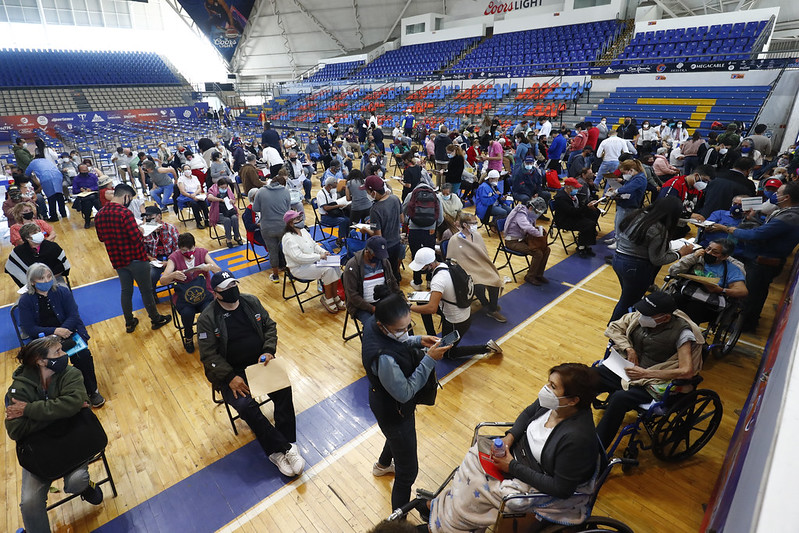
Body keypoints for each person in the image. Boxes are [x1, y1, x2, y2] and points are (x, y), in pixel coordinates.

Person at [427, 363, 602, 531]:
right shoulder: (555, 404)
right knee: (471, 461)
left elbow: (561, 488)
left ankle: (448, 525)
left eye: (553, 386)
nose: (546, 388)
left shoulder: (576, 439)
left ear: (573, 401)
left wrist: (511, 466)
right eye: (549, 382)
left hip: (535, 475)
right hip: (516, 455)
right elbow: (527, 413)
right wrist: (509, 438)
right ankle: (445, 512)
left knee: (475, 488)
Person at [197, 271, 305, 477]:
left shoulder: (251, 302)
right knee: (247, 407)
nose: (232, 290)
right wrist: (230, 378)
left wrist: (268, 350)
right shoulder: (207, 318)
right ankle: (278, 451)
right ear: (216, 293)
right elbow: (208, 355)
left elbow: (270, 326)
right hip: (231, 375)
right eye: (226, 288)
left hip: (259, 364)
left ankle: (289, 442)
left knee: (283, 388)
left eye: (233, 285)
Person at [362, 287, 452, 515]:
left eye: (408, 326)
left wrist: (418, 340)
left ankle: (382, 466)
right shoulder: (384, 359)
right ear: (383, 325)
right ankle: (398, 522)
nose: (405, 333)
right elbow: (405, 392)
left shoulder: (375, 322)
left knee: (395, 438)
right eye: (400, 330)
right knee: (408, 472)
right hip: (395, 410)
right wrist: (430, 359)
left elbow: (398, 341)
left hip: (383, 402)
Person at [5, 336, 106, 533]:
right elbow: (15, 430)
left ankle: (86, 487)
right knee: (29, 504)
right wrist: (62, 413)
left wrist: (29, 410)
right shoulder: (18, 389)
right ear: (41, 361)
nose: (64, 354)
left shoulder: (71, 373)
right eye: (58, 352)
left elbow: (74, 403)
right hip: (40, 453)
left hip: (73, 440)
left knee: (76, 481)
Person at [596, 291, 704, 449]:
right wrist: (628, 348)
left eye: (647, 314)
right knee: (591, 375)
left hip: (652, 380)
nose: (641, 316)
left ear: (665, 318)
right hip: (630, 370)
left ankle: (596, 448)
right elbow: (613, 327)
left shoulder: (683, 333)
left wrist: (646, 373)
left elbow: (687, 370)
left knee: (619, 399)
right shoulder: (640, 317)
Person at [710, 181, 799, 332]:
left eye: (778, 193)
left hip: (763, 262)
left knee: (751, 294)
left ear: (786, 197)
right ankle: (749, 321)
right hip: (764, 260)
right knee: (758, 292)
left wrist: (730, 230)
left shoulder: (790, 217)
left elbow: (757, 234)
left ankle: (744, 325)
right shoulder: (788, 213)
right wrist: (752, 219)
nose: (775, 195)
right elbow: (766, 230)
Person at [95, 184, 171, 333]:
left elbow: (101, 238)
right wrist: (140, 230)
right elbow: (136, 238)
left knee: (126, 291)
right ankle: (155, 319)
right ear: (126, 196)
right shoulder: (125, 213)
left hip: (117, 259)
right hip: (136, 258)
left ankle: (129, 322)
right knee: (146, 291)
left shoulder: (99, 214)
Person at [610, 197, 695, 322]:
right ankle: (613, 329)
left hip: (618, 259)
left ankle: (626, 324)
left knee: (628, 297)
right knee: (627, 301)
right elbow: (658, 260)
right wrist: (680, 253)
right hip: (635, 267)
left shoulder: (638, 215)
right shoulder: (658, 228)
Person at [409, 247, 503, 356]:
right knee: (421, 302)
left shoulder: (438, 280)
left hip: (456, 322)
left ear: (430, 265)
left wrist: (409, 307)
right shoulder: (447, 265)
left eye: (422, 267)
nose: (421, 270)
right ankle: (432, 337)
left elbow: (432, 308)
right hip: (464, 311)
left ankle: (487, 347)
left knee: (448, 354)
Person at [160, 233, 221, 352]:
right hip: (184, 297)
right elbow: (163, 281)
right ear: (179, 248)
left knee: (208, 310)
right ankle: (188, 335)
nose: (188, 252)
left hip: (204, 293)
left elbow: (218, 270)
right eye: (184, 250)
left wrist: (209, 267)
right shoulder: (174, 258)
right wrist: (173, 275)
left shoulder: (202, 253)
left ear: (194, 246)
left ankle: (210, 333)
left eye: (190, 249)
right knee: (187, 313)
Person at [667, 239, 748, 325]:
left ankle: (683, 329)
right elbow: (673, 271)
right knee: (672, 301)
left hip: (709, 302)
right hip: (686, 291)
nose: (709, 253)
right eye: (708, 249)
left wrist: (720, 290)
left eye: (715, 252)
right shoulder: (697, 257)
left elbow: (742, 291)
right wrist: (693, 257)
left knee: (695, 307)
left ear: (724, 257)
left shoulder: (732, 269)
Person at [446, 213, 507, 323]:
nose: (475, 225)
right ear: (465, 225)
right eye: (473, 223)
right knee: (478, 285)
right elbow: (453, 260)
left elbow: (483, 254)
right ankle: (485, 304)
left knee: (495, 279)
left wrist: (486, 265)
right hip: (466, 270)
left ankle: (492, 307)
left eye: (476, 223)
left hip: (481, 266)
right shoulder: (455, 240)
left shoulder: (477, 236)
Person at [282, 210, 344, 313]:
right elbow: (298, 257)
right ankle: (327, 298)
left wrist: (324, 252)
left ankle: (335, 295)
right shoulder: (288, 239)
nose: (301, 219)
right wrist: (319, 257)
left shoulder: (303, 231)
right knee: (328, 270)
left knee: (335, 265)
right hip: (299, 268)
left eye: (300, 217)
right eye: (297, 218)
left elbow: (314, 245)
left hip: (312, 262)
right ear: (291, 223)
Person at [343, 236, 401, 324]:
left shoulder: (384, 262)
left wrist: (402, 300)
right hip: (361, 306)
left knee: (401, 319)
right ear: (367, 251)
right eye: (376, 255)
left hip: (383, 300)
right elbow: (352, 295)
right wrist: (373, 309)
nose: (379, 258)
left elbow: (393, 283)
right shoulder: (352, 266)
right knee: (373, 326)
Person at [403, 182, 443, 290]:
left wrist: (408, 221)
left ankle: (417, 282)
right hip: (430, 230)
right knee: (430, 255)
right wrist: (433, 226)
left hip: (414, 229)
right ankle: (430, 280)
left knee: (416, 256)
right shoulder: (436, 196)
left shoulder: (411, 195)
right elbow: (440, 218)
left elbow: (403, 211)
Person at [363, 175, 404, 281]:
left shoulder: (375, 209)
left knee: (385, 275)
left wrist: (366, 229)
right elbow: (402, 219)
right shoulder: (395, 198)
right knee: (394, 271)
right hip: (396, 243)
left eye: (367, 191)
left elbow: (378, 236)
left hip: (384, 248)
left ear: (374, 192)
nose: (367, 194)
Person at [5, 223, 70, 288]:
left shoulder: (52, 246)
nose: (39, 234)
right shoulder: (18, 251)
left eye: (39, 231)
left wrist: (46, 279)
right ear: (27, 238)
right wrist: (34, 283)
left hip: (54, 279)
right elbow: (11, 267)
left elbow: (63, 266)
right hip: (32, 284)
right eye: (34, 233)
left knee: (62, 291)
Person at [254, 172, 291, 283]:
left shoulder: (261, 191)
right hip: (283, 226)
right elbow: (288, 209)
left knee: (272, 251)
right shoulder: (286, 191)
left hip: (267, 227)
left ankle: (275, 276)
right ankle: (290, 275)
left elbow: (255, 208)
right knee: (287, 250)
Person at [504, 197, 551, 285]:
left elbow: (530, 227)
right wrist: (539, 234)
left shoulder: (529, 214)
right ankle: (530, 276)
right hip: (512, 242)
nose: (537, 214)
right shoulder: (520, 213)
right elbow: (527, 227)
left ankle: (539, 275)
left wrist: (539, 229)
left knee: (546, 249)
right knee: (538, 253)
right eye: (537, 212)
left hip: (523, 239)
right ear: (531, 208)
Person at [552, 178, 601, 258]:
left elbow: (579, 207)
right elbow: (571, 211)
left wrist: (590, 204)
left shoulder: (573, 195)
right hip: (565, 220)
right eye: (575, 187)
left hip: (574, 215)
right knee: (588, 224)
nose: (577, 189)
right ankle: (581, 247)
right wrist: (586, 207)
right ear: (568, 187)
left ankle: (586, 244)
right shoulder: (561, 198)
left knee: (594, 213)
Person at [141, 205, 180, 299]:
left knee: (182, 270)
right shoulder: (145, 232)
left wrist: (170, 261)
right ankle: (152, 294)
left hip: (172, 257)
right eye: (146, 217)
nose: (148, 219)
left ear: (159, 216)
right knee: (151, 275)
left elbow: (178, 248)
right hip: (155, 260)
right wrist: (150, 258)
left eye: (151, 216)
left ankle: (180, 289)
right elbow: (142, 250)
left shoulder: (170, 228)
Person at [607, 159, 648, 238]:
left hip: (629, 205)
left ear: (631, 170)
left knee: (621, 225)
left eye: (624, 173)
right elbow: (627, 184)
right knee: (617, 222)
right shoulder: (635, 177)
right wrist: (617, 186)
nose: (623, 175)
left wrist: (616, 191)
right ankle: (616, 238)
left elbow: (628, 188)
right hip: (624, 203)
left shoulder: (640, 178)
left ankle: (618, 240)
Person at [25, 151, 66, 222]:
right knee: (59, 195)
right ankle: (63, 213)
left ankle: (54, 216)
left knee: (51, 197)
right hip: (57, 176)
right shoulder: (47, 160)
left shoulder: (33, 162)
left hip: (46, 177)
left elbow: (27, 173)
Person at [207, 178, 243, 248]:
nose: (224, 189)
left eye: (225, 187)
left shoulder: (228, 190)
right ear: (218, 186)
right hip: (218, 214)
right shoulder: (213, 189)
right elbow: (209, 198)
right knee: (227, 220)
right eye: (222, 187)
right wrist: (220, 200)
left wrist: (232, 201)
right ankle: (228, 239)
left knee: (234, 218)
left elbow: (234, 199)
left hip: (229, 211)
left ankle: (237, 236)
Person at [316, 176, 351, 246]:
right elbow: (325, 208)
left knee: (348, 218)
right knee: (343, 221)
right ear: (329, 186)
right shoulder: (321, 194)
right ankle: (339, 240)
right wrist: (338, 206)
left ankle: (347, 237)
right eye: (335, 186)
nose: (335, 188)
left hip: (334, 214)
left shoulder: (333, 192)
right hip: (326, 217)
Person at [70, 163, 102, 229]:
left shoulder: (93, 176)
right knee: (87, 203)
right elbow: (74, 190)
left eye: (86, 170)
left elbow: (98, 186)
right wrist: (80, 190)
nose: (85, 172)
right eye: (83, 171)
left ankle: (101, 217)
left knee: (95, 201)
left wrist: (91, 189)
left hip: (94, 194)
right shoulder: (76, 179)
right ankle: (87, 220)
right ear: (79, 171)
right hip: (84, 196)